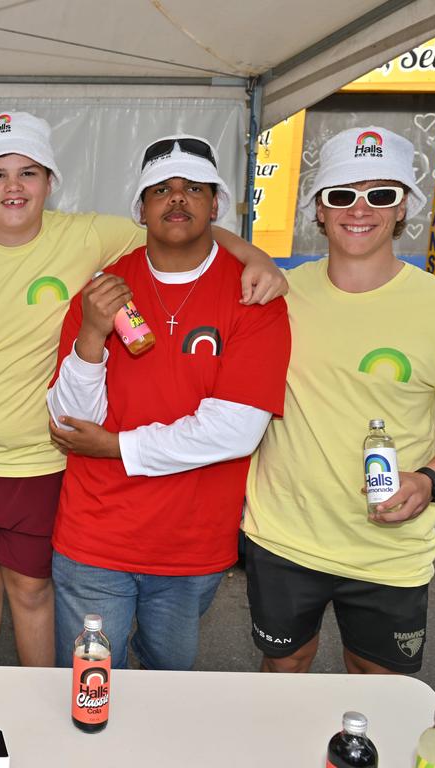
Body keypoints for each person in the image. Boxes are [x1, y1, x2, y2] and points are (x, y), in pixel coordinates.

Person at [0, 112, 288, 667]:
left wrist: (255, 255)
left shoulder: (92, 238)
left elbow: (183, 224)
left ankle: (50, 712)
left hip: (48, 464)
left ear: (51, 183)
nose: (13, 187)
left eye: (29, 173)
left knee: (41, 597)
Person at [46, 135, 291, 670]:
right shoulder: (103, 289)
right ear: (141, 208)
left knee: (168, 691)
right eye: (161, 189)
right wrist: (91, 334)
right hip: (94, 535)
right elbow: (70, 421)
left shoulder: (255, 294)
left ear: (215, 204)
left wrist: (116, 447)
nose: (177, 199)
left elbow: (234, 429)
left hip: (191, 543)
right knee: (91, 691)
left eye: (193, 188)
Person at [243, 126, 435, 675]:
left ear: (403, 205)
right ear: (318, 209)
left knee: (378, 691)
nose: (359, 209)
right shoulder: (281, 293)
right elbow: (197, 233)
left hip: (388, 548)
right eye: (341, 194)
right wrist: (253, 254)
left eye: (380, 194)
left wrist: (431, 479)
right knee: (283, 674)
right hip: (286, 535)